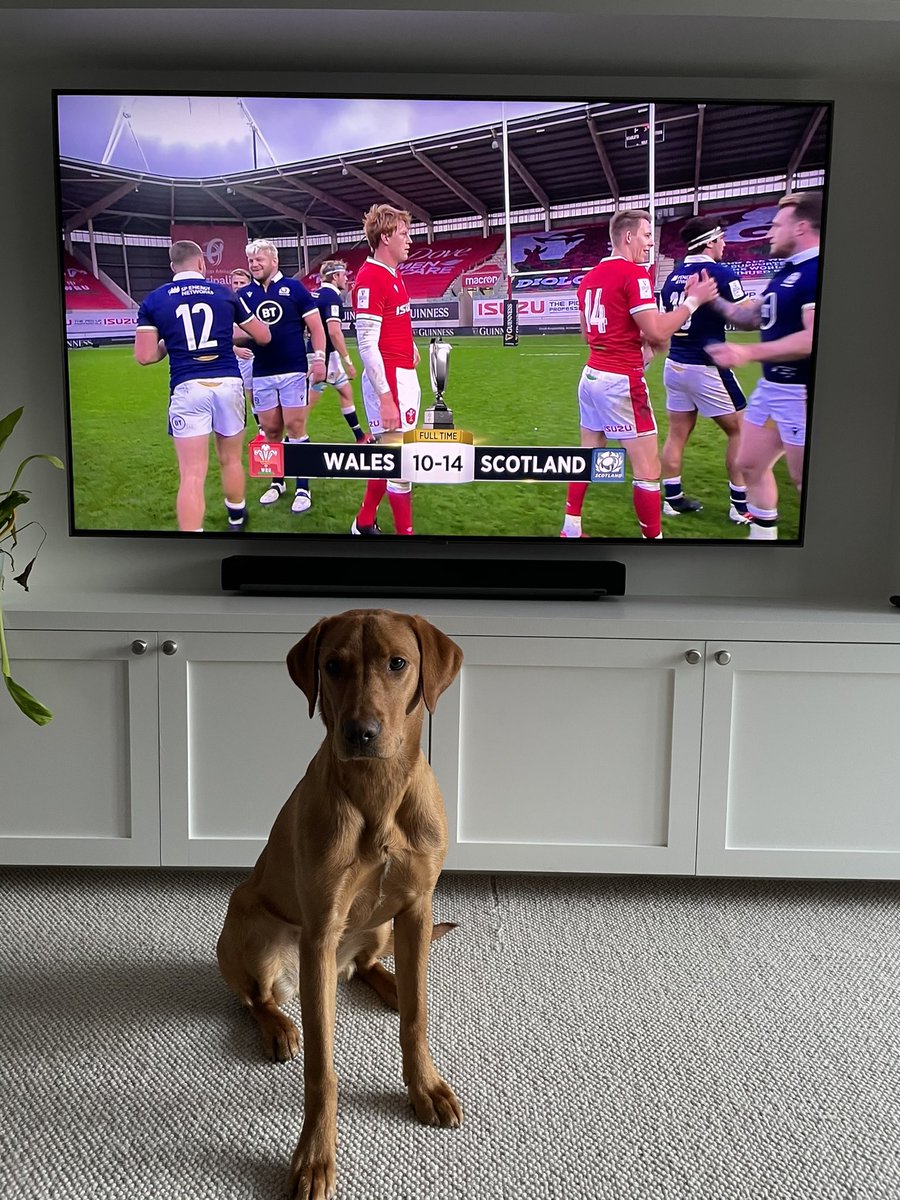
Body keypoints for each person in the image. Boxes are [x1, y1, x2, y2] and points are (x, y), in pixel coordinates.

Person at [560, 209, 719, 540]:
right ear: (628, 236)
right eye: (647, 235)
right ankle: (654, 542)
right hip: (620, 380)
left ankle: (571, 528)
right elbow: (659, 332)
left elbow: (588, 334)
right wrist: (692, 301)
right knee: (648, 470)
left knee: (587, 455)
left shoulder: (589, 277)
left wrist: (641, 344)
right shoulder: (633, 275)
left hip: (591, 375)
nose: (651, 242)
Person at [134, 240, 271, 532]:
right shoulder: (225, 293)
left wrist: (170, 340)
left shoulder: (155, 300)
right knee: (231, 459)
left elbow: (145, 357)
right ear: (201, 264)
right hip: (229, 383)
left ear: (173, 267)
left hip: (187, 385)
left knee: (192, 474)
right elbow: (263, 335)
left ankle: (192, 541)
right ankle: (236, 517)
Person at [707, 192, 821, 540]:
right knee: (750, 464)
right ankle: (763, 541)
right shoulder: (788, 270)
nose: (768, 233)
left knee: (806, 482)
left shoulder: (817, 272)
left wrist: (748, 355)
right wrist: (712, 300)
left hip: (801, 393)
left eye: (776, 226)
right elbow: (750, 317)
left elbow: (813, 339)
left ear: (801, 227)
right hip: (772, 388)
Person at [659, 217, 753, 524]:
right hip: (707, 365)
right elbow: (745, 315)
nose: (725, 244)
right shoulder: (720, 273)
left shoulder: (672, 277)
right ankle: (740, 508)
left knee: (677, 433)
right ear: (710, 241)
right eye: (722, 238)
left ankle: (671, 500)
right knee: (742, 431)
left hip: (675, 364)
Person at [236, 239, 326, 513]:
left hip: (293, 369)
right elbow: (233, 330)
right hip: (262, 372)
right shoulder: (245, 295)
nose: (254, 264)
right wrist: (233, 345)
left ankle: (303, 487)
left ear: (274, 261)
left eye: (259, 259)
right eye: (251, 260)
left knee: (296, 427)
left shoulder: (295, 289)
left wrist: (320, 358)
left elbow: (316, 327)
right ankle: (278, 482)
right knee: (272, 430)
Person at [350, 204, 421, 536]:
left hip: (400, 373)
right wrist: (386, 397)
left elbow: (394, 323)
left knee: (386, 457)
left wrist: (412, 348)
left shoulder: (392, 273)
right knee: (400, 464)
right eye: (405, 233)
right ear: (385, 236)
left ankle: (364, 523)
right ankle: (405, 536)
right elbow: (366, 344)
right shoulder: (370, 278)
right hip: (391, 381)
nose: (410, 240)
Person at [307, 260, 372, 443]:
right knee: (311, 398)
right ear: (335, 277)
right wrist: (348, 361)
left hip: (320, 353)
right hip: (323, 355)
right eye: (344, 275)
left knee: (345, 391)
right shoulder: (331, 297)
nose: (347, 279)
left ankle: (359, 436)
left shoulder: (315, 295)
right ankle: (293, 437)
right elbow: (334, 332)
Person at [229, 267, 256, 417]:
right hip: (233, 356)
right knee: (234, 395)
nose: (238, 286)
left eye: (242, 282)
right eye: (235, 282)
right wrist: (235, 349)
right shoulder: (228, 304)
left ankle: (262, 429)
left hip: (252, 355)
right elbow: (220, 334)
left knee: (254, 394)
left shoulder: (254, 303)